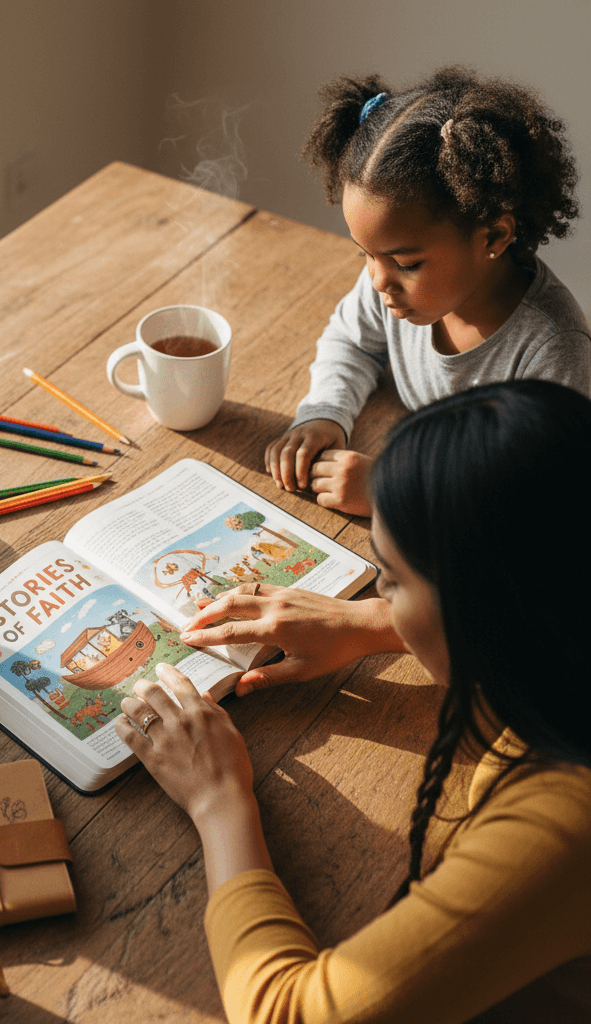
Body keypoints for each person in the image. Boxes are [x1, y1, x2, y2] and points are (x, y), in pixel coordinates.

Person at [117, 380, 591, 1022]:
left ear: (479, 604)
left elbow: (287, 1013)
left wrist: (218, 801)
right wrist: (378, 621)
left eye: (390, 579)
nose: (381, 594)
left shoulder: (564, 820)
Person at [266, 67, 590, 517]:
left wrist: (390, 493)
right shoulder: (392, 283)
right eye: (365, 255)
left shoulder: (551, 350)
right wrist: (325, 411)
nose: (378, 281)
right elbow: (352, 342)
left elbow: (540, 499)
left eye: (406, 264)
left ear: (493, 237)